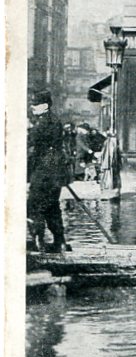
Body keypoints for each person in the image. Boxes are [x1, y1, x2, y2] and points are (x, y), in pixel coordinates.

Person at [27, 90, 71, 252]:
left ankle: (39, 242)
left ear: (45, 106)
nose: (32, 107)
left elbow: (31, 141)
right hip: (56, 170)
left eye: (35, 104)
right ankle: (60, 241)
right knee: (52, 206)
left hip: (44, 170)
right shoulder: (54, 120)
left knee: (34, 205)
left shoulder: (44, 122)